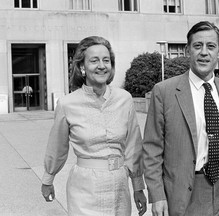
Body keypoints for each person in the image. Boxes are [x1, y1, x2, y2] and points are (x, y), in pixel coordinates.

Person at [142, 21, 219, 215]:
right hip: (184, 194)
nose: (204, 52)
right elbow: (151, 149)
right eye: (197, 46)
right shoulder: (164, 91)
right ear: (187, 50)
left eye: (211, 46)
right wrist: (157, 196)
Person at [41, 36, 147, 215]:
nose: (101, 65)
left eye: (106, 60)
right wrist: (48, 179)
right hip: (84, 188)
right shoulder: (67, 104)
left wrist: (138, 186)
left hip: (120, 185)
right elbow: (57, 147)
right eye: (94, 60)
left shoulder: (125, 99)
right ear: (82, 67)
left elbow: (133, 147)